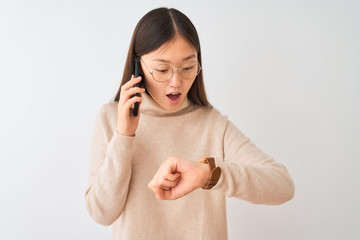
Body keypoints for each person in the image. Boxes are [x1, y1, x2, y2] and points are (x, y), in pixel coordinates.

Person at [84, 7, 295, 240]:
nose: (176, 83)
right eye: (162, 69)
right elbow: (101, 213)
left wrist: (209, 174)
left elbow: (283, 186)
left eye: (187, 68)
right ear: (138, 66)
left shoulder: (212, 124)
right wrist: (124, 135)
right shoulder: (110, 119)